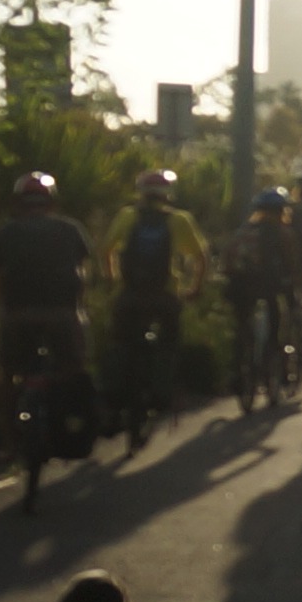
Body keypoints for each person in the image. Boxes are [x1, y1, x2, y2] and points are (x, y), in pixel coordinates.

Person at [103, 167, 208, 429]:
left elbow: (105, 250)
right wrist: (194, 287)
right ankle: (162, 392)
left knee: (119, 343)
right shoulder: (178, 219)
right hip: (165, 296)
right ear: (167, 194)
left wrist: (113, 281)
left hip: (129, 295)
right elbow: (200, 257)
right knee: (169, 342)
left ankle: (112, 399)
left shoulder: (127, 216)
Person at [0, 170, 95, 410]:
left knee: (6, 373)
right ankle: (71, 413)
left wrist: (5, 309)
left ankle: (9, 439)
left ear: (17, 202)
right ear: (52, 202)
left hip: (17, 315)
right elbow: (81, 274)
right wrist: (77, 307)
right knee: (75, 366)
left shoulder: (5, 232)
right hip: (62, 314)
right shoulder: (70, 229)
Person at [223, 183, 302, 392]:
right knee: (279, 322)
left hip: (242, 287)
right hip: (272, 287)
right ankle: (276, 365)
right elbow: (293, 265)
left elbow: (228, 261)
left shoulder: (243, 232)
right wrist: (297, 290)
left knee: (242, 326)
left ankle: (238, 368)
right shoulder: (284, 233)